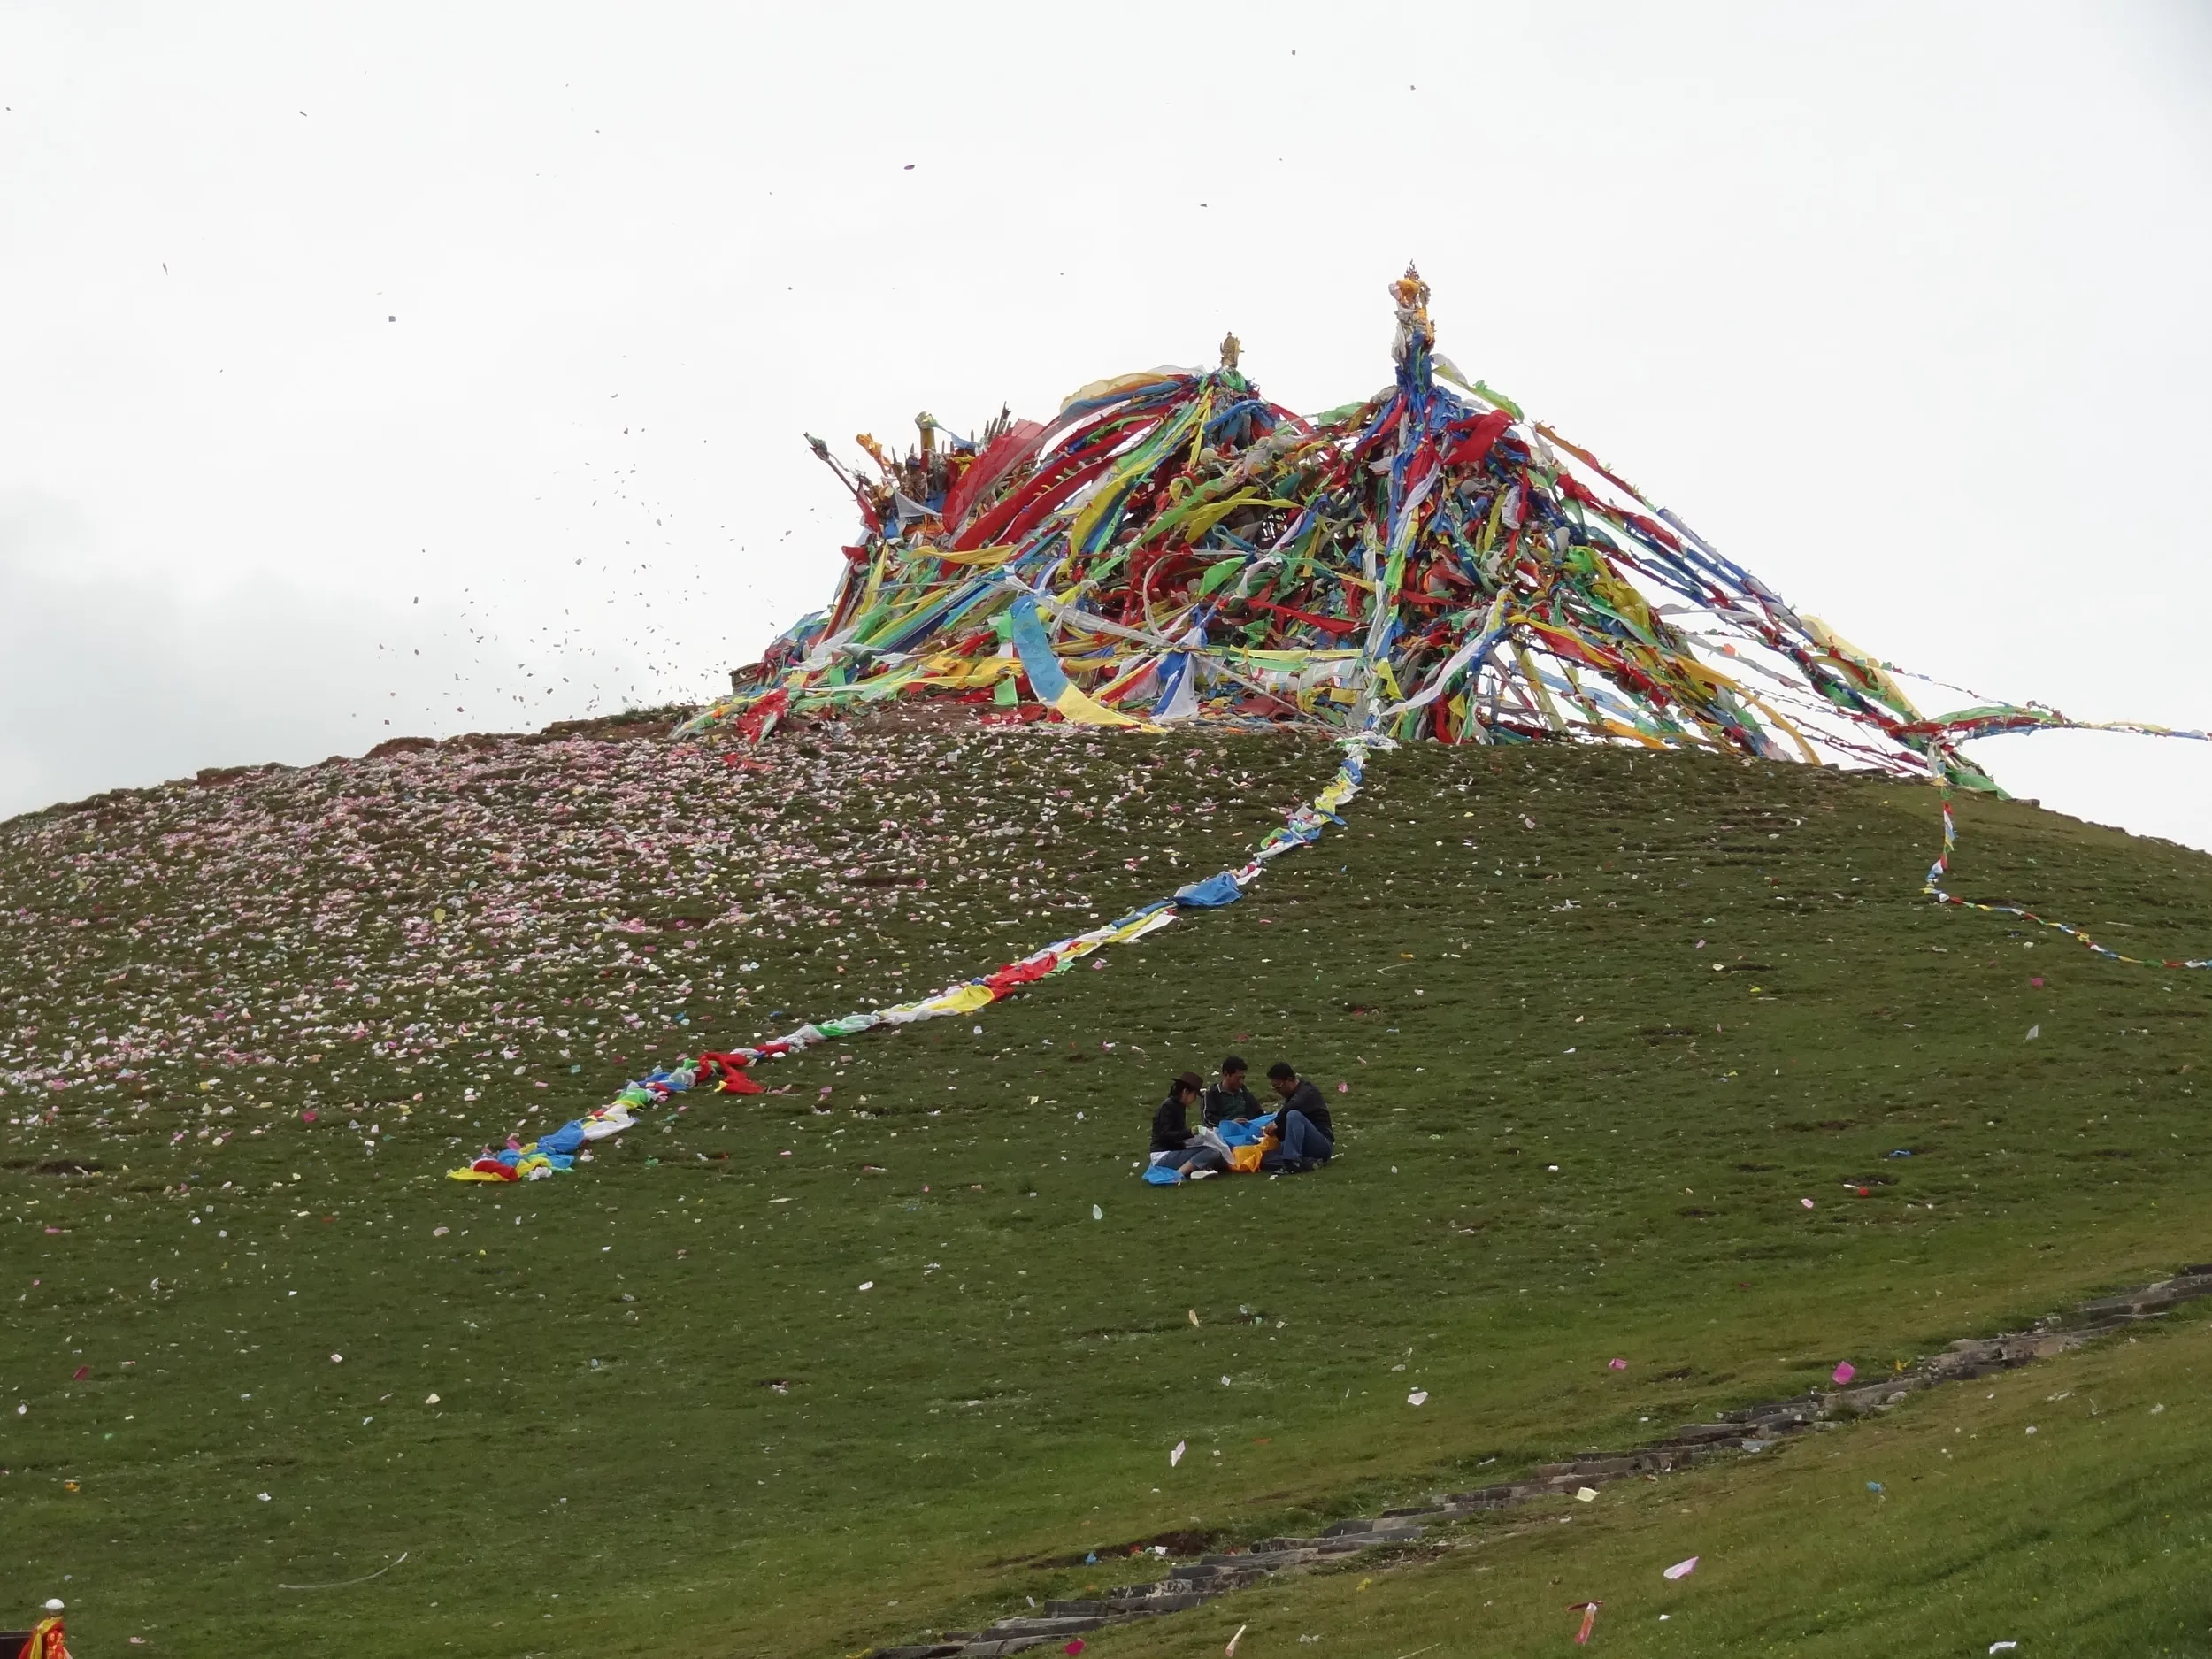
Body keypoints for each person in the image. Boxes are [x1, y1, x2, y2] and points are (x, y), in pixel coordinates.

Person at [1261, 1061, 1333, 1171]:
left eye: (1279, 1086)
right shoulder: (1291, 1098)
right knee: (1264, 1158)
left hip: (1321, 1142)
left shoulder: (1307, 1091)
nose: (1277, 1091)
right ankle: (1306, 1163)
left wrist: (1276, 1122)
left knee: (1293, 1115)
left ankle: (1291, 1161)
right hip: (1302, 1145)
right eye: (1274, 1087)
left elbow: (1294, 1105)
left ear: (1290, 1080)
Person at [1150, 1072, 1224, 1179]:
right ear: (1185, 1092)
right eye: (1194, 1095)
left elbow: (1178, 1134)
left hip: (1173, 1152)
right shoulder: (1168, 1107)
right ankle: (1179, 1174)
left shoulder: (1178, 1106)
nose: (1194, 1099)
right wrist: (1190, 1132)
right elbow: (1166, 1134)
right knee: (1212, 1152)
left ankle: (1198, 1171)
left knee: (1215, 1153)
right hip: (1163, 1155)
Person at [1202, 1056, 1263, 1128]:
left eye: (1243, 1078)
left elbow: (1258, 1114)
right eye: (1238, 1078)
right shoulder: (1212, 1094)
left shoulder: (1244, 1093)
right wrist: (1230, 1124)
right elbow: (1208, 1120)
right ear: (1226, 1074)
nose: (1241, 1082)